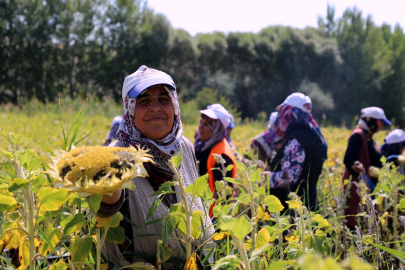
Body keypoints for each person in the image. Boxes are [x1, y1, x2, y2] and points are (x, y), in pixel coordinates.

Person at [97, 65, 214, 267]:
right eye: (144, 101)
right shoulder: (116, 155)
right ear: (130, 110)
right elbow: (106, 206)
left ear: (174, 105)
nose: (155, 107)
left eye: (163, 99)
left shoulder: (183, 146)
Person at [266, 93, 327, 211]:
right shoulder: (313, 136)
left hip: (294, 210)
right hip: (308, 204)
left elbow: (290, 176)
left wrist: (266, 178)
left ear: (289, 114)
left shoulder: (297, 139)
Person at [342, 107, 391, 229]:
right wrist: (361, 173)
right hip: (354, 182)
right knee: (352, 216)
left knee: (363, 214)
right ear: (371, 121)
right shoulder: (358, 135)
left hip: (363, 182)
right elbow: (348, 160)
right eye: (380, 123)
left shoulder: (367, 136)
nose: (381, 127)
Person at [194, 104, 237, 215]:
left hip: (214, 218)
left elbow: (224, 195)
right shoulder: (202, 146)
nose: (200, 127)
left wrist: (217, 222)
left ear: (217, 128)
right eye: (201, 123)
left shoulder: (222, 156)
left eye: (206, 124)